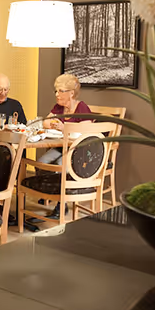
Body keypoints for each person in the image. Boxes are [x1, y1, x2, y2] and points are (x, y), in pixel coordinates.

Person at [38, 73, 92, 219]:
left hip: (77, 149)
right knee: (41, 162)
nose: (57, 94)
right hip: (61, 146)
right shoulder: (59, 107)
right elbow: (45, 122)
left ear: (71, 93)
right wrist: (55, 124)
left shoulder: (82, 107)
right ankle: (48, 192)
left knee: (61, 165)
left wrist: (64, 126)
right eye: (56, 91)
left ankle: (61, 205)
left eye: (60, 91)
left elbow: (86, 129)